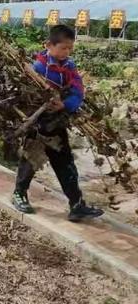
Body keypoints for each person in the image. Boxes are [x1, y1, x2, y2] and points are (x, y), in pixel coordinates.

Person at [12, 24, 104, 222]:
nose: (67, 52)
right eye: (63, 48)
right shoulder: (36, 68)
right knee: (30, 160)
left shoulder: (69, 68)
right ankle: (19, 194)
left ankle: (76, 204)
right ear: (49, 45)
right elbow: (24, 96)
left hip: (57, 123)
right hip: (37, 123)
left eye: (70, 48)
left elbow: (78, 92)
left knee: (65, 164)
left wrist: (65, 104)